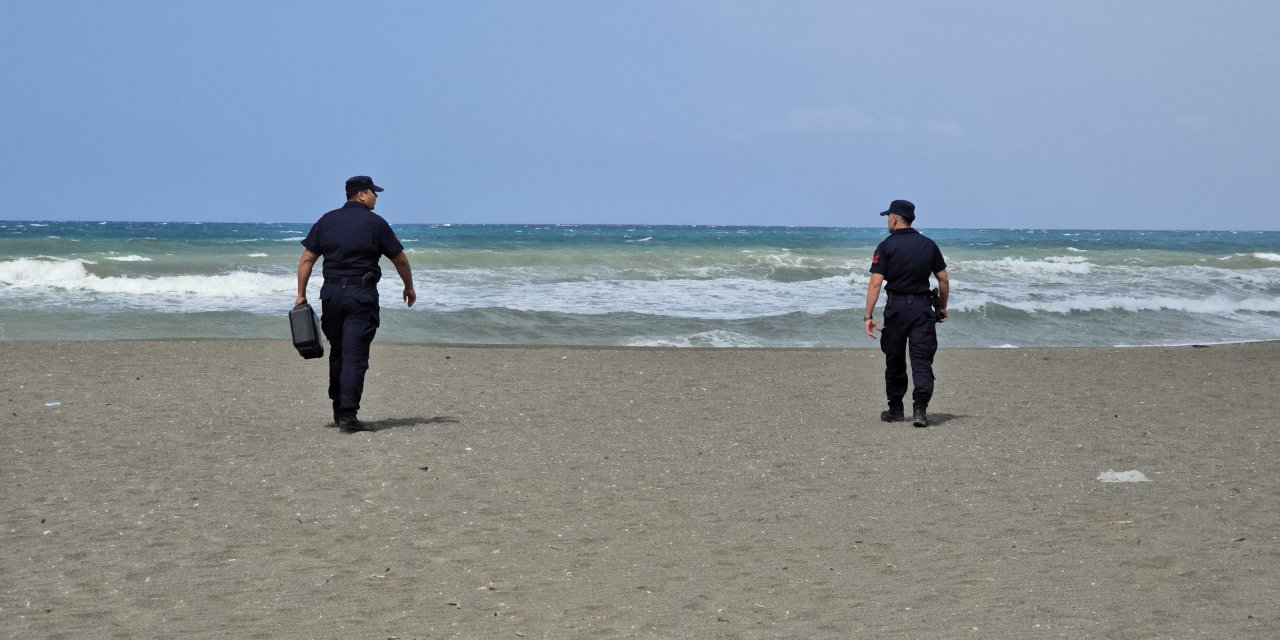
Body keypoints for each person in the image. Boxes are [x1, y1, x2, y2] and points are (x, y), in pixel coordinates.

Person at [295, 176, 416, 432]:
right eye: (374, 192)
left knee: (338, 352)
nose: (377, 197)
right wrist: (408, 286)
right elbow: (400, 260)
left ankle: (339, 411)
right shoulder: (375, 224)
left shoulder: (326, 220)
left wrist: (300, 294)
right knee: (355, 355)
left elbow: (307, 259)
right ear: (361, 195)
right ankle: (349, 417)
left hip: (331, 296)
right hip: (360, 296)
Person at [864, 199, 949, 427]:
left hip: (897, 308)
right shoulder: (928, 244)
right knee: (922, 360)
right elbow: (943, 279)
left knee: (895, 359)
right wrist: (941, 306)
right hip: (922, 308)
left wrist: (868, 316)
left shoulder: (886, 246)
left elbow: (875, 283)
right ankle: (920, 410)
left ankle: (896, 409)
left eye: (887, 217)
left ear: (894, 218)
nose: (887, 222)